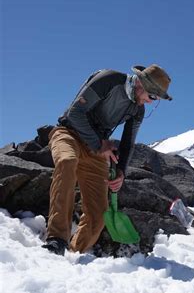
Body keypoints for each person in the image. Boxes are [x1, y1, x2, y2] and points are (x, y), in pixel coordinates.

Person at [42, 64, 172, 255]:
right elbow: (75, 113)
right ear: (141, 85)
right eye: (152, 96)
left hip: (96, 149)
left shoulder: (138, 110)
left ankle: (73, 252)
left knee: (98, 214)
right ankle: (56, 240)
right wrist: (99, 145)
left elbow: (128, 143)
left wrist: (121, 172)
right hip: (68, 133)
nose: (151, 102)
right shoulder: (109, 79)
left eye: (157, 99)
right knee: (67, 161)